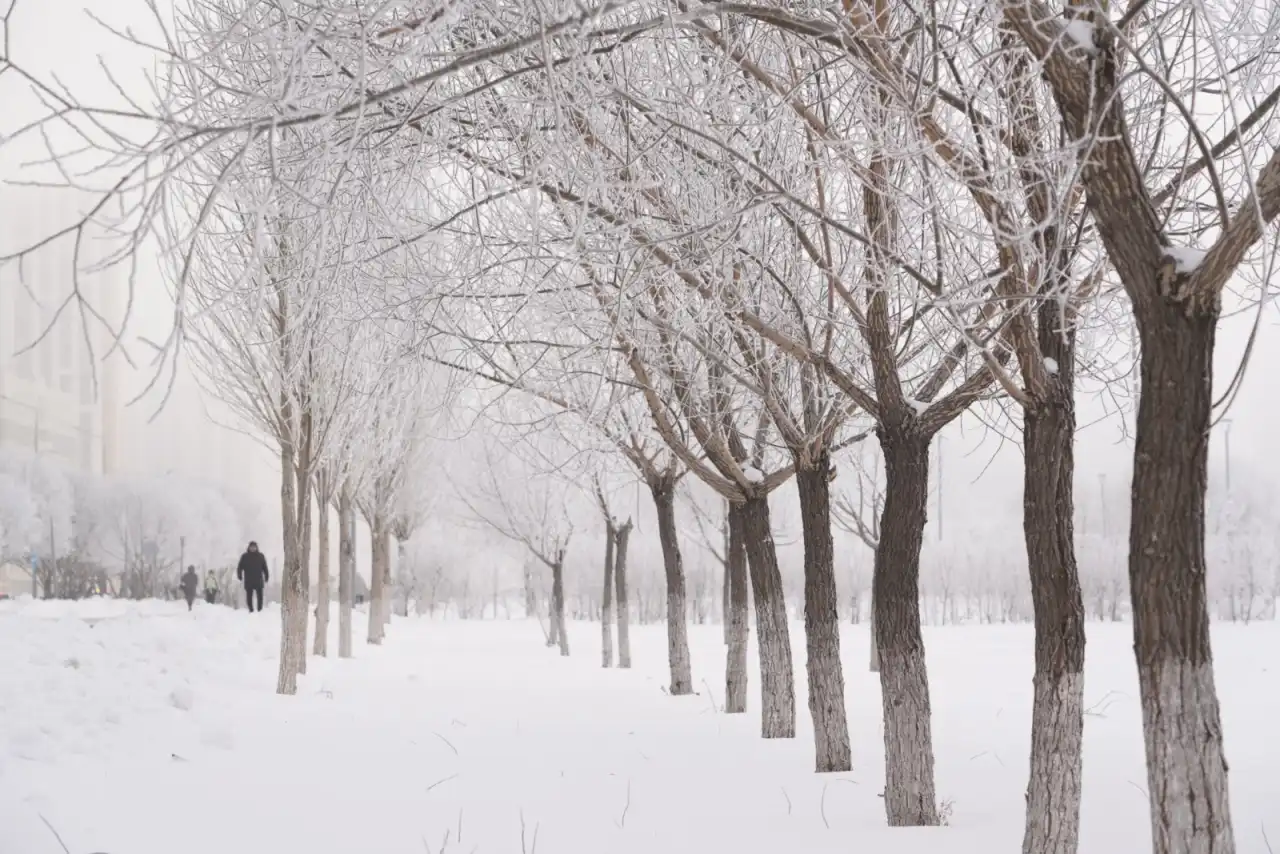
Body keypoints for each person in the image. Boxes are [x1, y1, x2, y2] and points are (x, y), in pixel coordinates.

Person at [237, 541, 269, 613]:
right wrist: (239, 575)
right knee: (249, 596)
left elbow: (265, 567)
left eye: (254, 547)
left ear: (256, 547)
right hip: (249, 580)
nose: (253, 548)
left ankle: (259, 609)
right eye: (251, 547)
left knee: (260, 596)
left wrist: (267, 576)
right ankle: (251, 609)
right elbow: (240, 567)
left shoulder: (260, 556)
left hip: (258, 579)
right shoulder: (245, 556)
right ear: (249, 547)